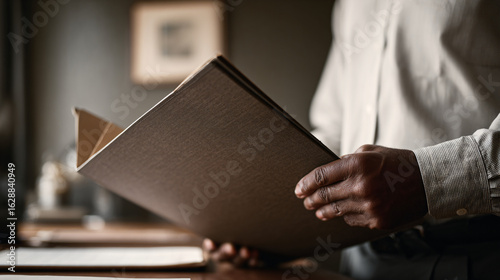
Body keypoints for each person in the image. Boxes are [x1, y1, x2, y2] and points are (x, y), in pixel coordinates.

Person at [204, 1, 500, 279]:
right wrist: (260, 225)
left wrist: (425, 180)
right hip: (360, 263)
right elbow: (333, 131)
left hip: (476, 254)